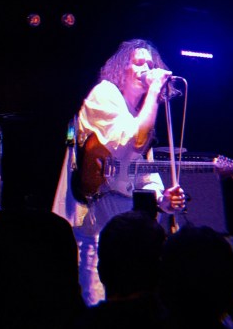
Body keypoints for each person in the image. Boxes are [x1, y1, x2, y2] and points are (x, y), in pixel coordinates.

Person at [53, 38, 186, 305]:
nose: (146, 70)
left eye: (150, 65)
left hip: (123, 221)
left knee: (126, 298)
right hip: (93, 216)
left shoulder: (141, 113)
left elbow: (143, 171)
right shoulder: (104, 94)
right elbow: (131, 141)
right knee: (95, 297)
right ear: (121, 68)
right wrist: (154, 92)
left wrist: (162, 199)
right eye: (138, 63)